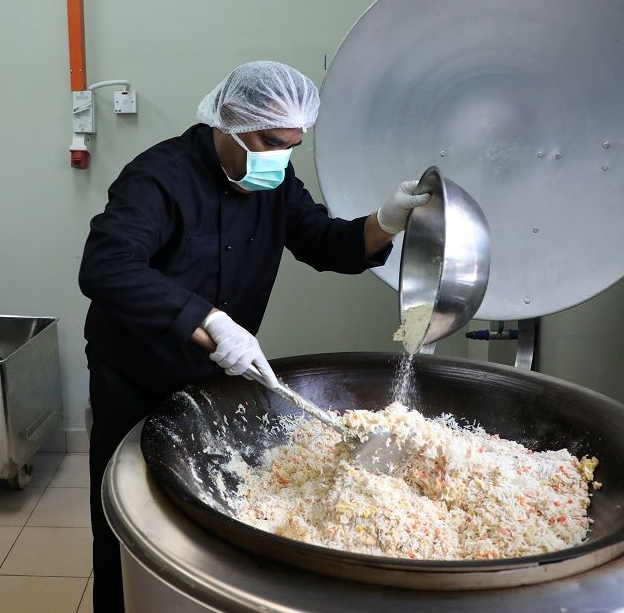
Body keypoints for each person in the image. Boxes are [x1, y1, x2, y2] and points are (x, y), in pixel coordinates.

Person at [78, 60, 428, 611]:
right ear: (230, 118)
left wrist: (385, 220)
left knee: (207, 514)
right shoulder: (159, 179)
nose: (280, 156)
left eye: (292, 144)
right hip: (135, 376)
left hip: (214, 381)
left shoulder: (273, 177)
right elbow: (106, 267)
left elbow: (322, 242)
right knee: (125, 518)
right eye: (269, 140)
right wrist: (210, 319)